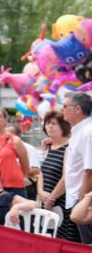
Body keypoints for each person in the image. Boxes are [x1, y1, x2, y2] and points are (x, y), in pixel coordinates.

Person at [34, 109, 79, 241]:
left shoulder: (69, 148)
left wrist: (51, 198)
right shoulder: (48, 146)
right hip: (48, 201)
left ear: (63, 126)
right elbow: (41, 172)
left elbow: (67, 178)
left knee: (65, 240)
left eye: (54, 123)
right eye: (47, 123)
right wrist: (40, 192)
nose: (49, 126)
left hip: (62, 202)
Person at [62, 91, 92, 243]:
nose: (62, 111)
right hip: (77, 198)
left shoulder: (88, 132)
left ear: (78, 109)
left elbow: (90, 171)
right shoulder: (79, 132)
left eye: (65, 106)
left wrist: (83, 201)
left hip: (84, 201)